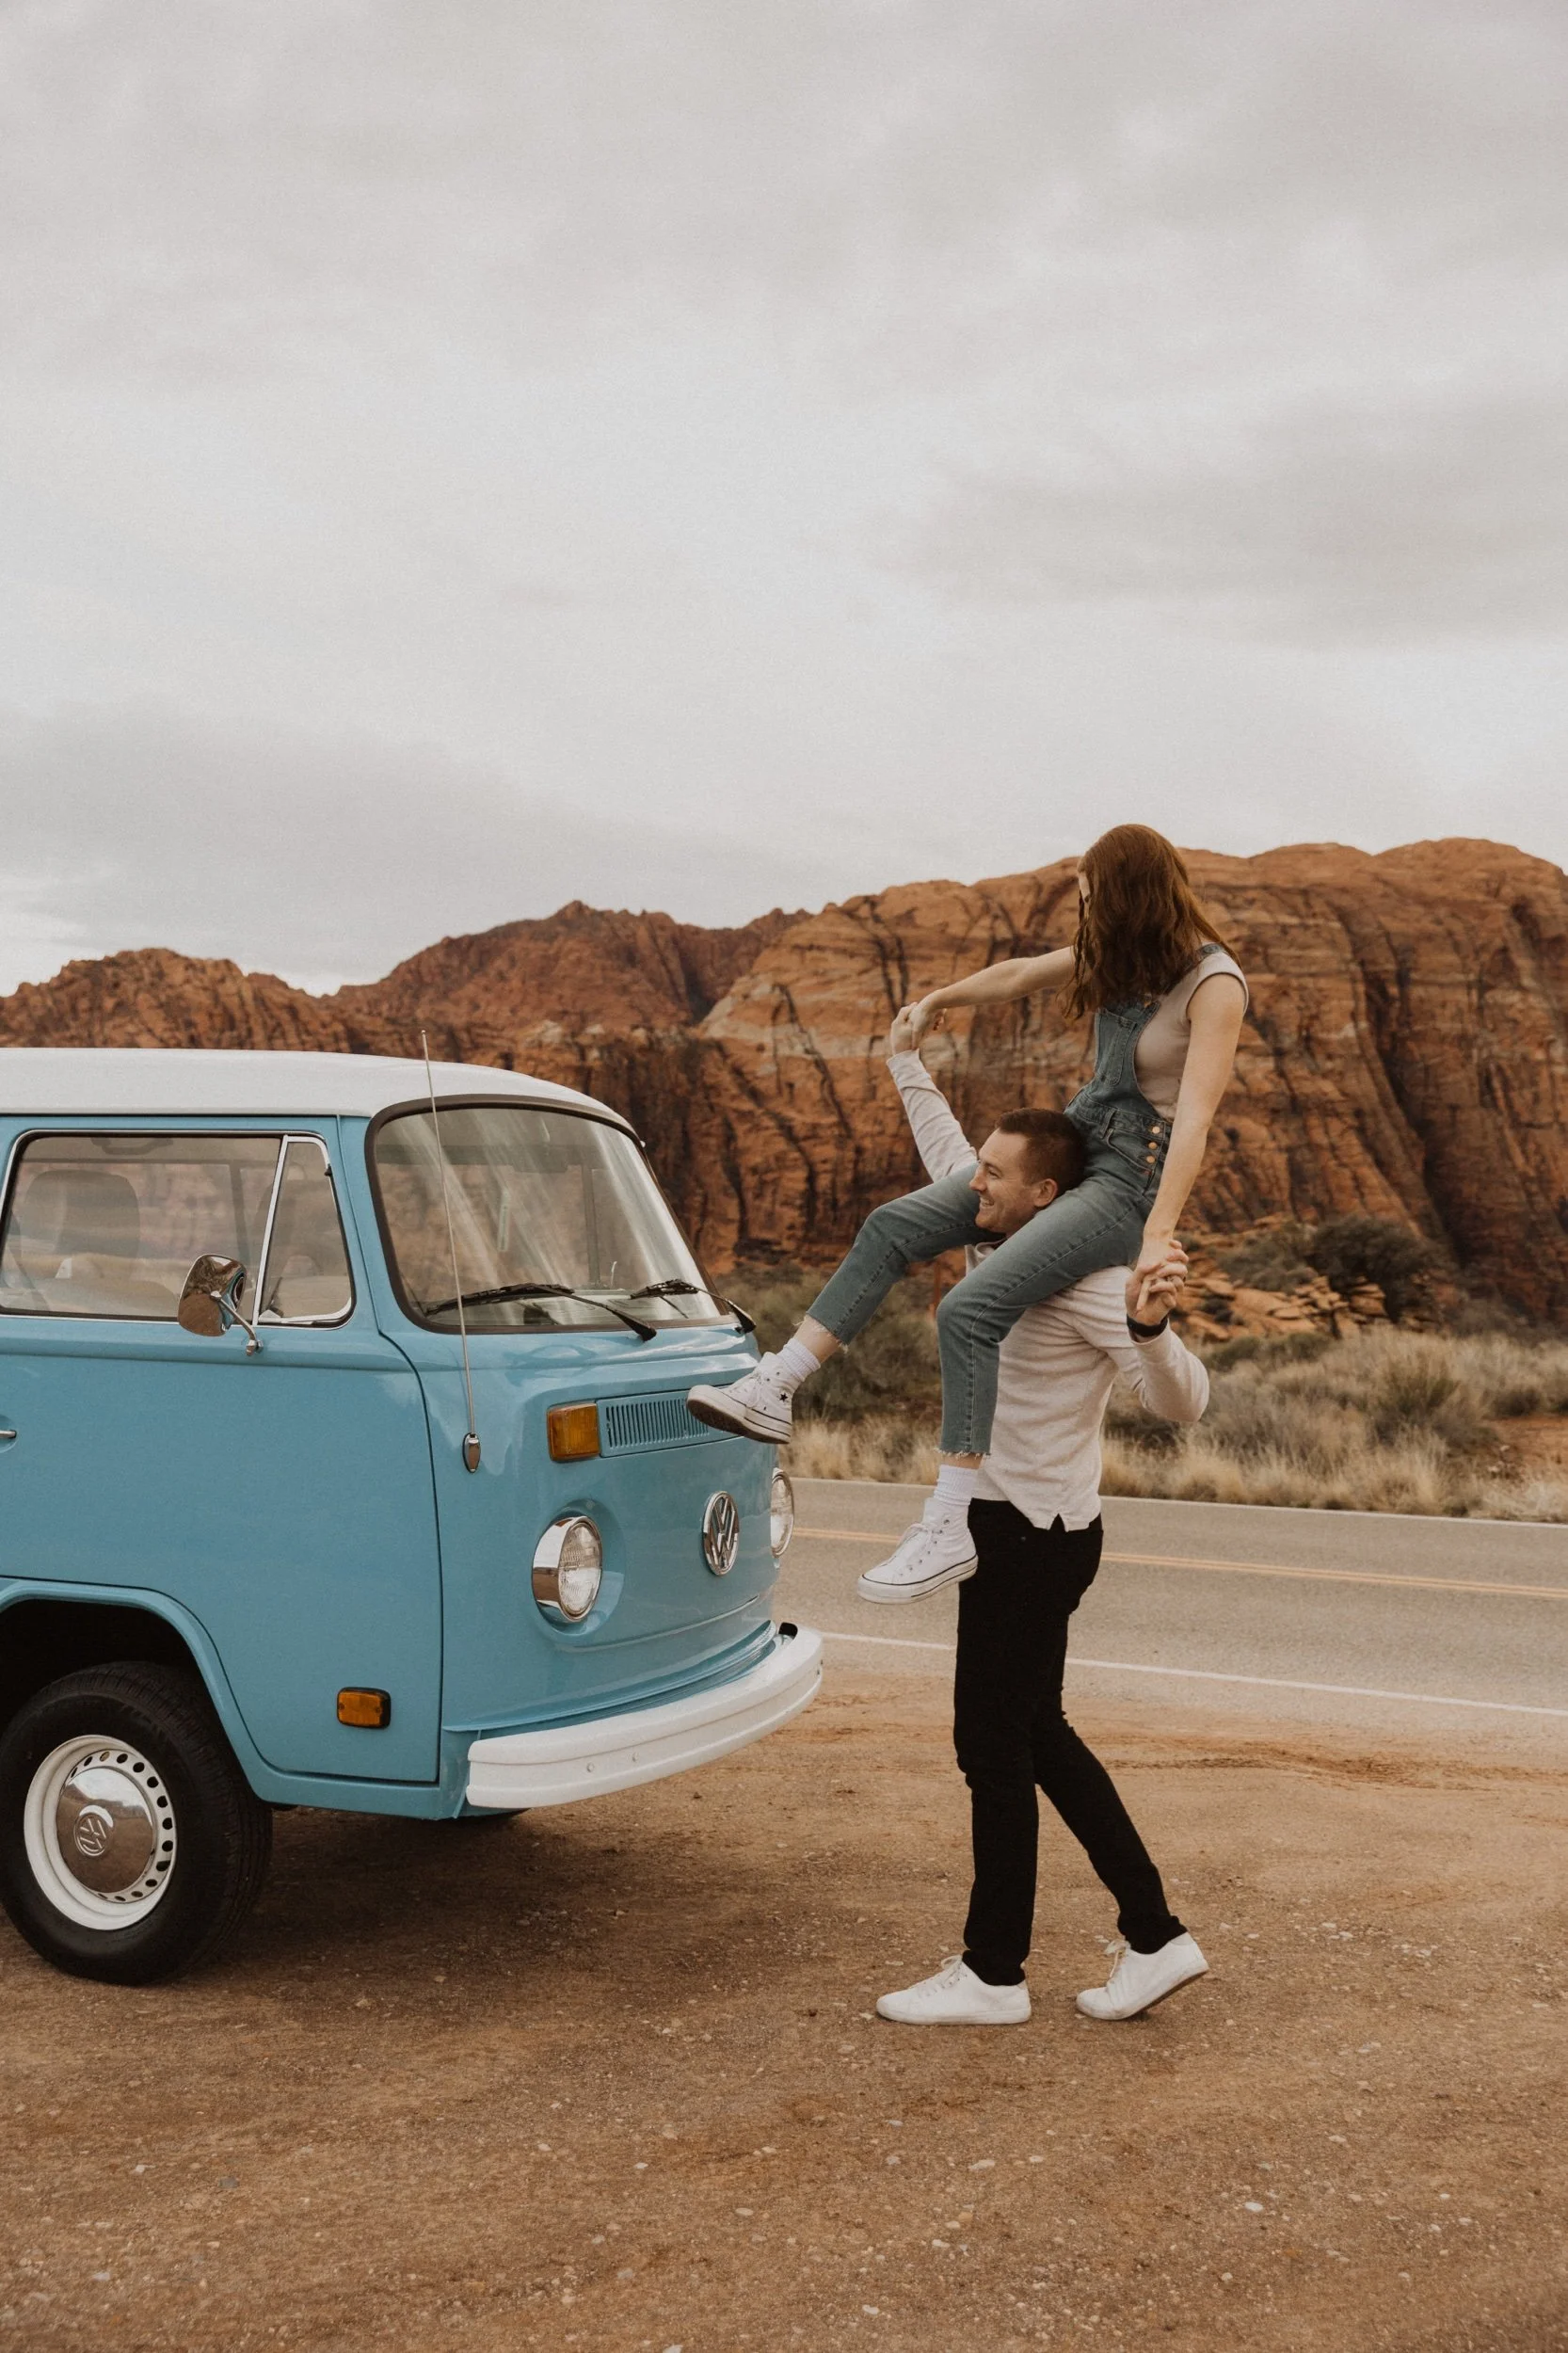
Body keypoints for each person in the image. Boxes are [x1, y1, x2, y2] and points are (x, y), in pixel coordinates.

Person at [687, 824, 1247, 1598]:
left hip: (1126, 1183)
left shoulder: (1216, 985)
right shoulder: (1121, 955)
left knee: (969, 1309)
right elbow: (1019, 975)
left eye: (1093, 901)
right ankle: (776, 1385)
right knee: (892, 1226)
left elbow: (1196, 1120)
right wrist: (936, 1002)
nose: (1086, 917)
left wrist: (1157, 1234)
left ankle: (949, 1524)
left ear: (1131, 898)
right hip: (1078, 1139)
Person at [867, 1016, 1212, 2025]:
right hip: (1034, 1532)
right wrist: (906, 1062)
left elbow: (1184, 1402)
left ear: (1046, 1196)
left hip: (1026, 1537)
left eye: (994, 1174)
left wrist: (1150, 1328)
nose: (973, 1183)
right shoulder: (1001, 1233)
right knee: (1036, 1732)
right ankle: (1154, 1935)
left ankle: (993, 1973)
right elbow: (948, 1152)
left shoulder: (1085, 1282)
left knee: (993, 1747)